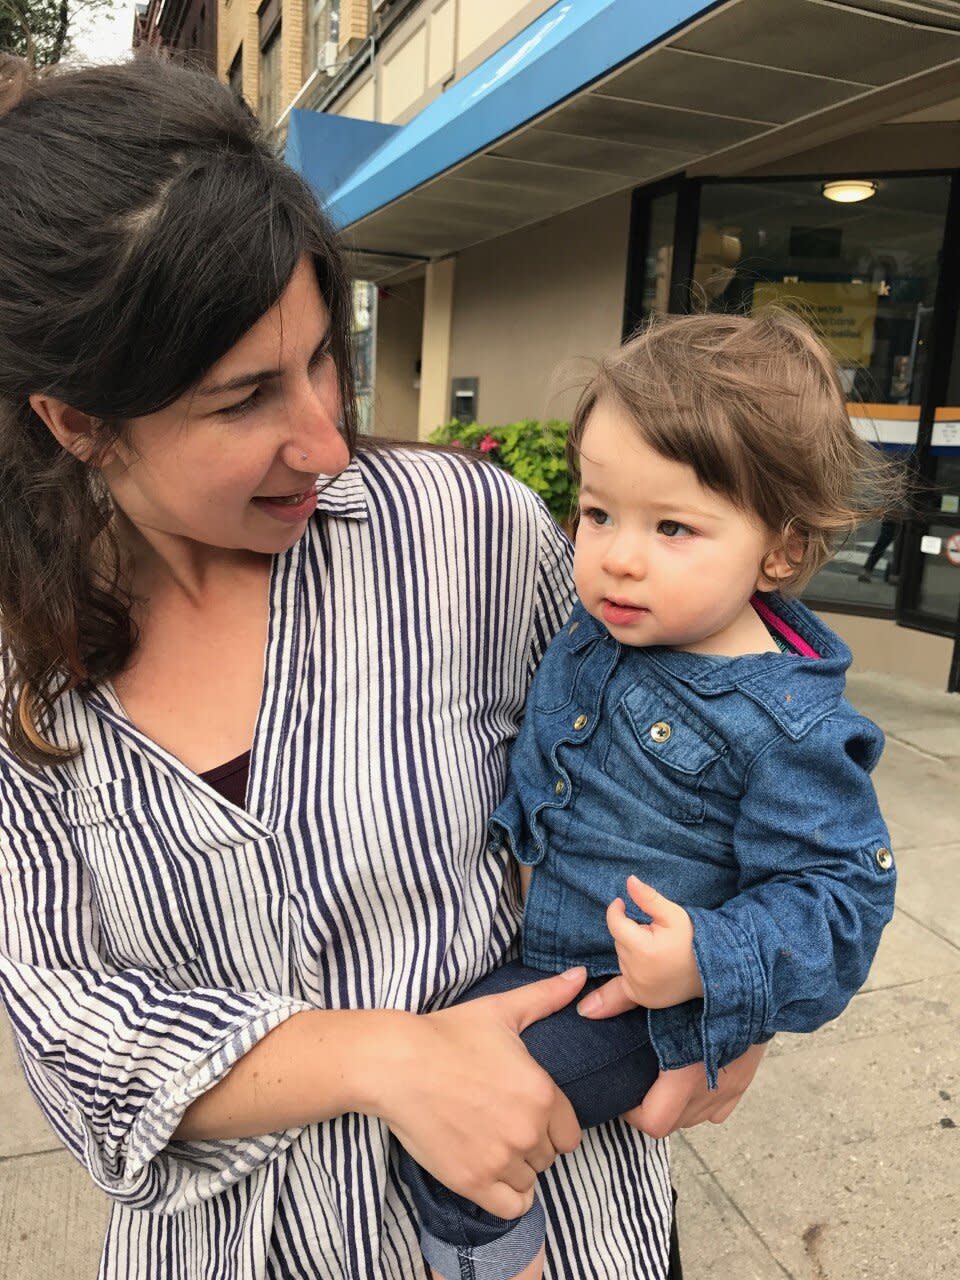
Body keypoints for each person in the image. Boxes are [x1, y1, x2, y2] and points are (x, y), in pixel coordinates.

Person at [0, 55, 763, 1280]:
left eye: (322, 357)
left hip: (560, 1227)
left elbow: (703, 744)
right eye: (243, 396)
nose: (322, 438)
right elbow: (67, 1012)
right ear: (75, 419)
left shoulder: (466, 534)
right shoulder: (20, 671)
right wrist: (379, 1056)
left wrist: (740, 974)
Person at [398, 310, 902, 1280]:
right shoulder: (613, 624)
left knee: (459, 1123)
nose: (619, 555)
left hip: (627, 1005)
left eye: (673, 525)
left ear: (781, 551)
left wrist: (706, 960)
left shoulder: (785, 726)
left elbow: (845, 898)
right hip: (541, 960)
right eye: (598, 513)